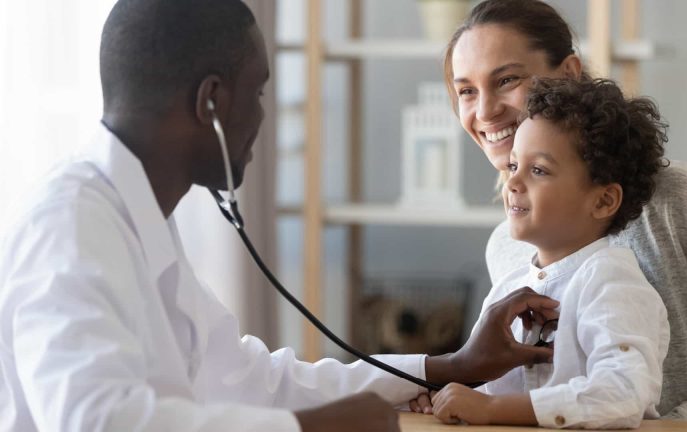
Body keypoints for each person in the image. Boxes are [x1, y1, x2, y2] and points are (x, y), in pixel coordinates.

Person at [0, 1, 562, 431]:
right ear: (212, 103)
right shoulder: (71, 223)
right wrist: (308, 427)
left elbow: (256, 380)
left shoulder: (140, 220)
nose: (264, 118)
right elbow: (97, 421)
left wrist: (453, 365)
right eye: (260, 92)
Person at [413, 0, 687, 424]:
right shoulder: (509, 248)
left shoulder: (678, 202)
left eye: (506, 79)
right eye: (466, 90)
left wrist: (672, 426)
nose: (485, 111)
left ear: (568, 74)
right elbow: (531, 394)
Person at [430, 77, 670, 428]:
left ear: (603, 200)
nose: (512, 182)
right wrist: (445, 396)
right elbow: (478, 391)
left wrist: (491, 409)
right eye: (513, 166)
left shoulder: (612, 282)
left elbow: (622, 393)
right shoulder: (507, 291)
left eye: (538, 170)